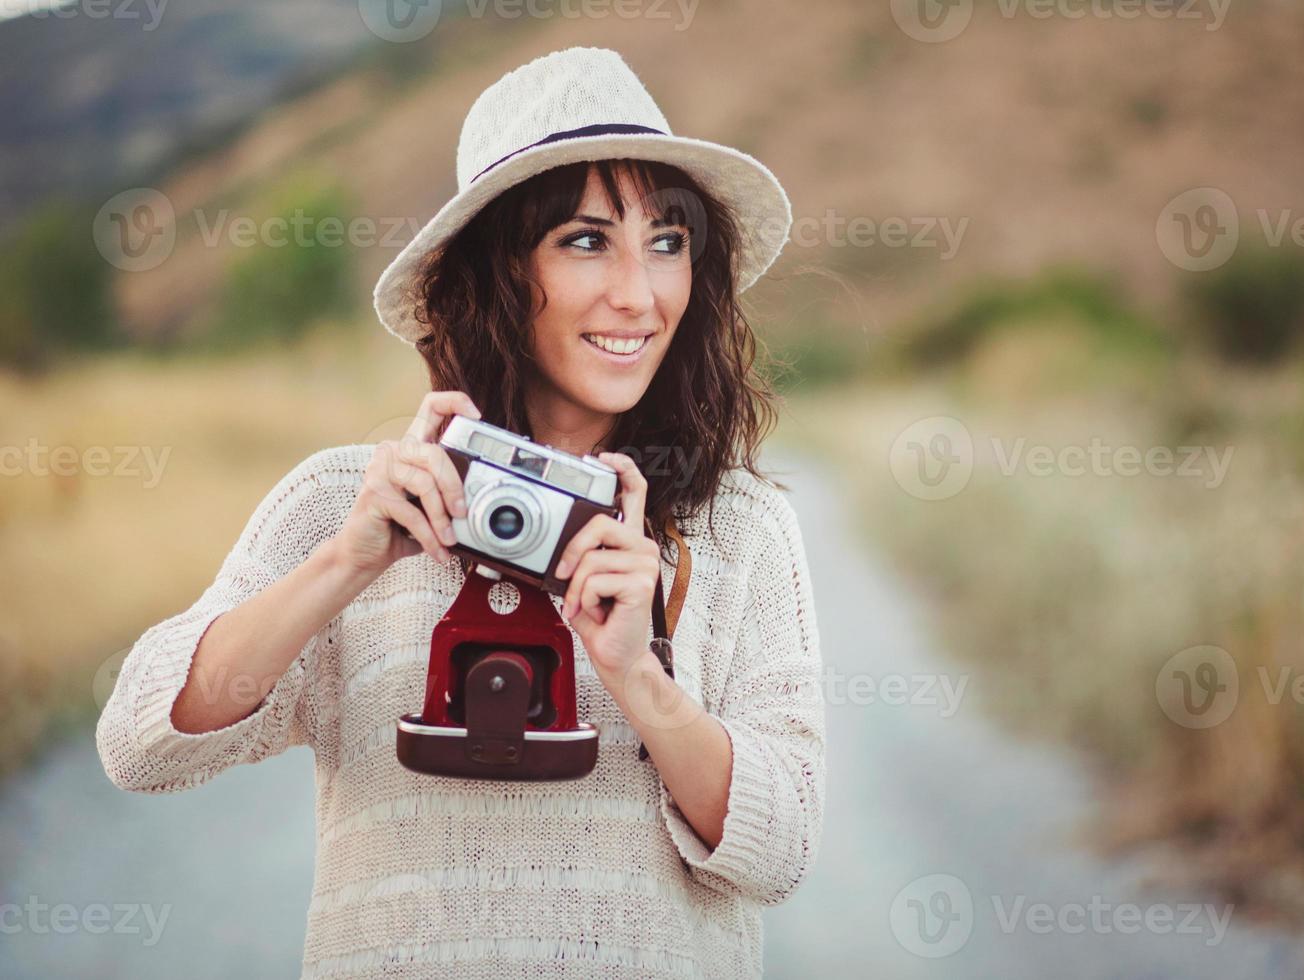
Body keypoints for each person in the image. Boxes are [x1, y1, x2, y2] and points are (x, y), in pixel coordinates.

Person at [95, 45, 824, 979]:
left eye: (668, 242)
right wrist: (343, 566)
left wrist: (640, 677)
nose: (639, 294)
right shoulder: (347, 501)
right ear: (491, 271)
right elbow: (141, 746)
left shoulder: (738, 526)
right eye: (586, 239)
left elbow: (785, 846)